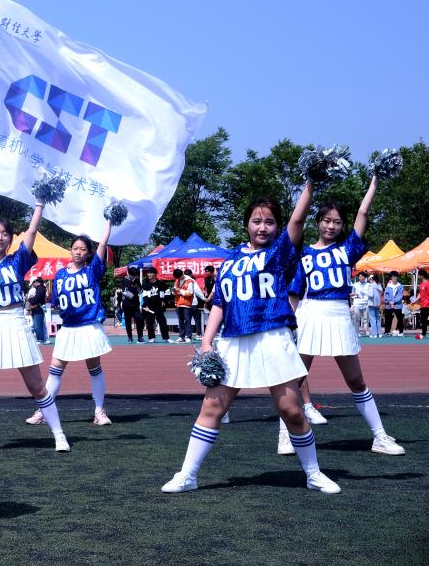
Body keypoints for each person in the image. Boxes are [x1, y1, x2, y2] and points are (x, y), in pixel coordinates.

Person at [161, 182, 343, 495]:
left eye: (269, 222)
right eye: (256, 221)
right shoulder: (230, 260)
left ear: (277, 226)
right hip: (233, 341)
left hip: (273, 337)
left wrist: (310, 185)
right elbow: (220, 302)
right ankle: (187, 475)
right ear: (246, 224)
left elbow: (298, 220)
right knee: (212, 408)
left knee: (292, 410)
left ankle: (313, 474)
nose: (262, 227)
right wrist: (206, 341)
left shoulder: (280, 252)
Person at [283, 180, 404, 456]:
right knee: (295, 379)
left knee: (356, 381)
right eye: (326, 220)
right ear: (318, 222)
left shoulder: (347, 248)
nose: (331, 226)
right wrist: (290, 323)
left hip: (339, 316)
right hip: (310, 314)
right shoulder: (304, 254)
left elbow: (363, 213)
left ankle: (379, 436)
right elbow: (294, 293)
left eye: (337, 222)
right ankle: (285, 436)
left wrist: (375, 181)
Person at [0, 211, 69, 453]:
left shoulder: (17, 260)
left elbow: (31, 232)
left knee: (37, 386)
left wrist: (39, 205)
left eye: (5, 233)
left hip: (16, 323)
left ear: (10, 239)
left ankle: (59, 435)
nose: (0, 237)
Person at [26, 226, 116, 428]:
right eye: (75, 248)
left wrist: (108, 224)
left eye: (83, 249)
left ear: (89, 253)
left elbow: (102, 245)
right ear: (70, 250)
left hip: (89, 327)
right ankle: (43, 410)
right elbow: (57, 302)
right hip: (68, 328)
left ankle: (99, 411)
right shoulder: (60, 275)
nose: (78, 252)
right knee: (55, 370)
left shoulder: (92, 270)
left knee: (94, 369)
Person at [140, 267, 171, 343]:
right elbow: (144, 296)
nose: (149, 274)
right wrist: (145, 305)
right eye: (148, 273)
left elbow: (167, 292)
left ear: (155, 274)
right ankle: (151, 337)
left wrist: (164, 301)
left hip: (158, 306)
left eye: (150, 273)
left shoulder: (161, 283)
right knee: (150, 322)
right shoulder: (145, 284)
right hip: (149, 306)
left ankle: (166, 338)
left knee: (162, 322)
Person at [119, 267, 144, 343]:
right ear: (129, 274)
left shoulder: (137, 280)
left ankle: (140, 337)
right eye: (133, 275)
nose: (134, 277)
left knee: (139, 319)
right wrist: (132, 296)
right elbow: (124, 292)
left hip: (135, 304)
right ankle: (130, 337)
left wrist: (137, 287)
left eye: (135, 275)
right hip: (126, 304)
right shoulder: (124, 280)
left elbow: (140, 291)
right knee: (128, 321)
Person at [172, 269, 194, 342]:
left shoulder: (189, 280)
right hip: (178, 303)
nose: (178, 279)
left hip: (186, 304)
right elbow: (175, 291)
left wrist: (180, 291)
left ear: (182, 274)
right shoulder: (177, 280)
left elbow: (190, 292)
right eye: (177, 278)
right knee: (180, 321)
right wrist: (174, 291)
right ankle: (181, 336)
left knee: (187, 320)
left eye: (179, 277)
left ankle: (189, 336)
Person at [26, 277, 49, 344]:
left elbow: (37, 299)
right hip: (38, 308)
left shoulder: (40, 289)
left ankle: (40, 339)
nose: (32, 286)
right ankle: (44, 339)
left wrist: (29, 300)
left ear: (35, 282)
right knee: (40, 325)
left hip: (38, 308)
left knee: (37, 325)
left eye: (32, 284)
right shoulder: (40, 288)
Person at [351, 272, 370, 336]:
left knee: (366, 318)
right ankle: (356, 332)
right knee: (356, 318)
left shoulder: (368, 285)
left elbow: (370, 294)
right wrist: (354, 295)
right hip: (357, 303)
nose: (360, 277)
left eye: (362, 276)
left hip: (366, 303)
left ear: (365, 277)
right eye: (359, 276)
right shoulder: (355, 284)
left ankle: (366, 331)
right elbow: (352, 293)